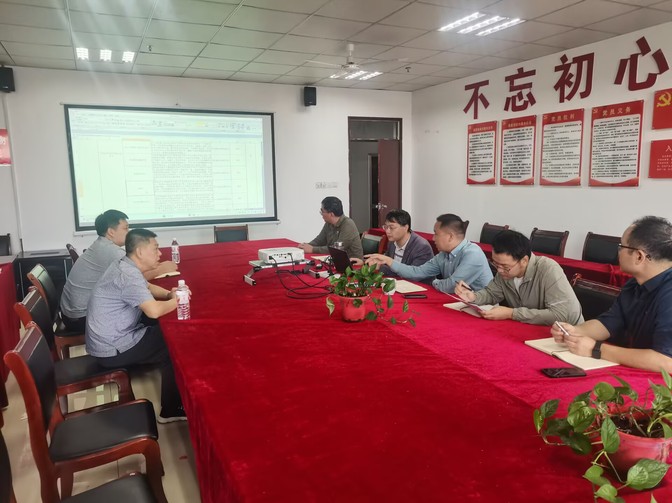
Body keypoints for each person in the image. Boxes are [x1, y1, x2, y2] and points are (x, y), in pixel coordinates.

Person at [86, 228, 186, 423]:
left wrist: (168, 295)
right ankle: (171, 409)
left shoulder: (125, 265)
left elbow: (147, 287)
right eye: (155, 249)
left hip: (109, 337)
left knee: (163, 324)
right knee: (173, 341)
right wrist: (179, 300)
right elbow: (154, 311)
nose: (160, 254)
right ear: (140, 252)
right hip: (112, 348)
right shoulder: (128, 276)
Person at [551, 216, 672, 372]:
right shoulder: (634, 284)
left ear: (639, 256)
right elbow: (610, 322)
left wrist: (596, 349)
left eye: (621, 246)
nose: (618, 252)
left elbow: (666, 361)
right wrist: (575, 332)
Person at [60, 209, 177, 331]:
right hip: (81, 317)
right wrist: (161, 270)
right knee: (152, 315)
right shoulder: (111, 252)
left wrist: (167, 294)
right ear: (111, 232)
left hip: (71, 312)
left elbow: (138, 279)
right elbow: (135, 277)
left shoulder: (102, 245)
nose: (129, 233)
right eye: (126, 228)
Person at [454, 230, 582, 325]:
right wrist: (473, 297)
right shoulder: (505, 270)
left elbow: (560, 314)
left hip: (568, 336)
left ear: (524, 261)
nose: (499, 270)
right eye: (496, 264)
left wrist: (512, 313)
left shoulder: (548, 269)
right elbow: (491, 293)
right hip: (531, 330)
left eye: (505, 266)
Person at [366, 213, 492, 294]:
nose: (433, 238)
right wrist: (389, 261)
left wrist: (433, 282)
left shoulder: (473, 254)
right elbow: (417, 272)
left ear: (450, 236)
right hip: (458, 303)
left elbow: (451, 286)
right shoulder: (443, 254)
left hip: (484, 308)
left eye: (436, 234)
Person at [298, 196, 363, 259]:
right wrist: (306, 246)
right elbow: (319, 240)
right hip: (335, 259)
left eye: (322, 211)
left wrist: (312, 249)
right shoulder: (329, 223)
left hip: (352, 263)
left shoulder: (348, 224)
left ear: (331, 214)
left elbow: (337, 249)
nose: (321, 214)